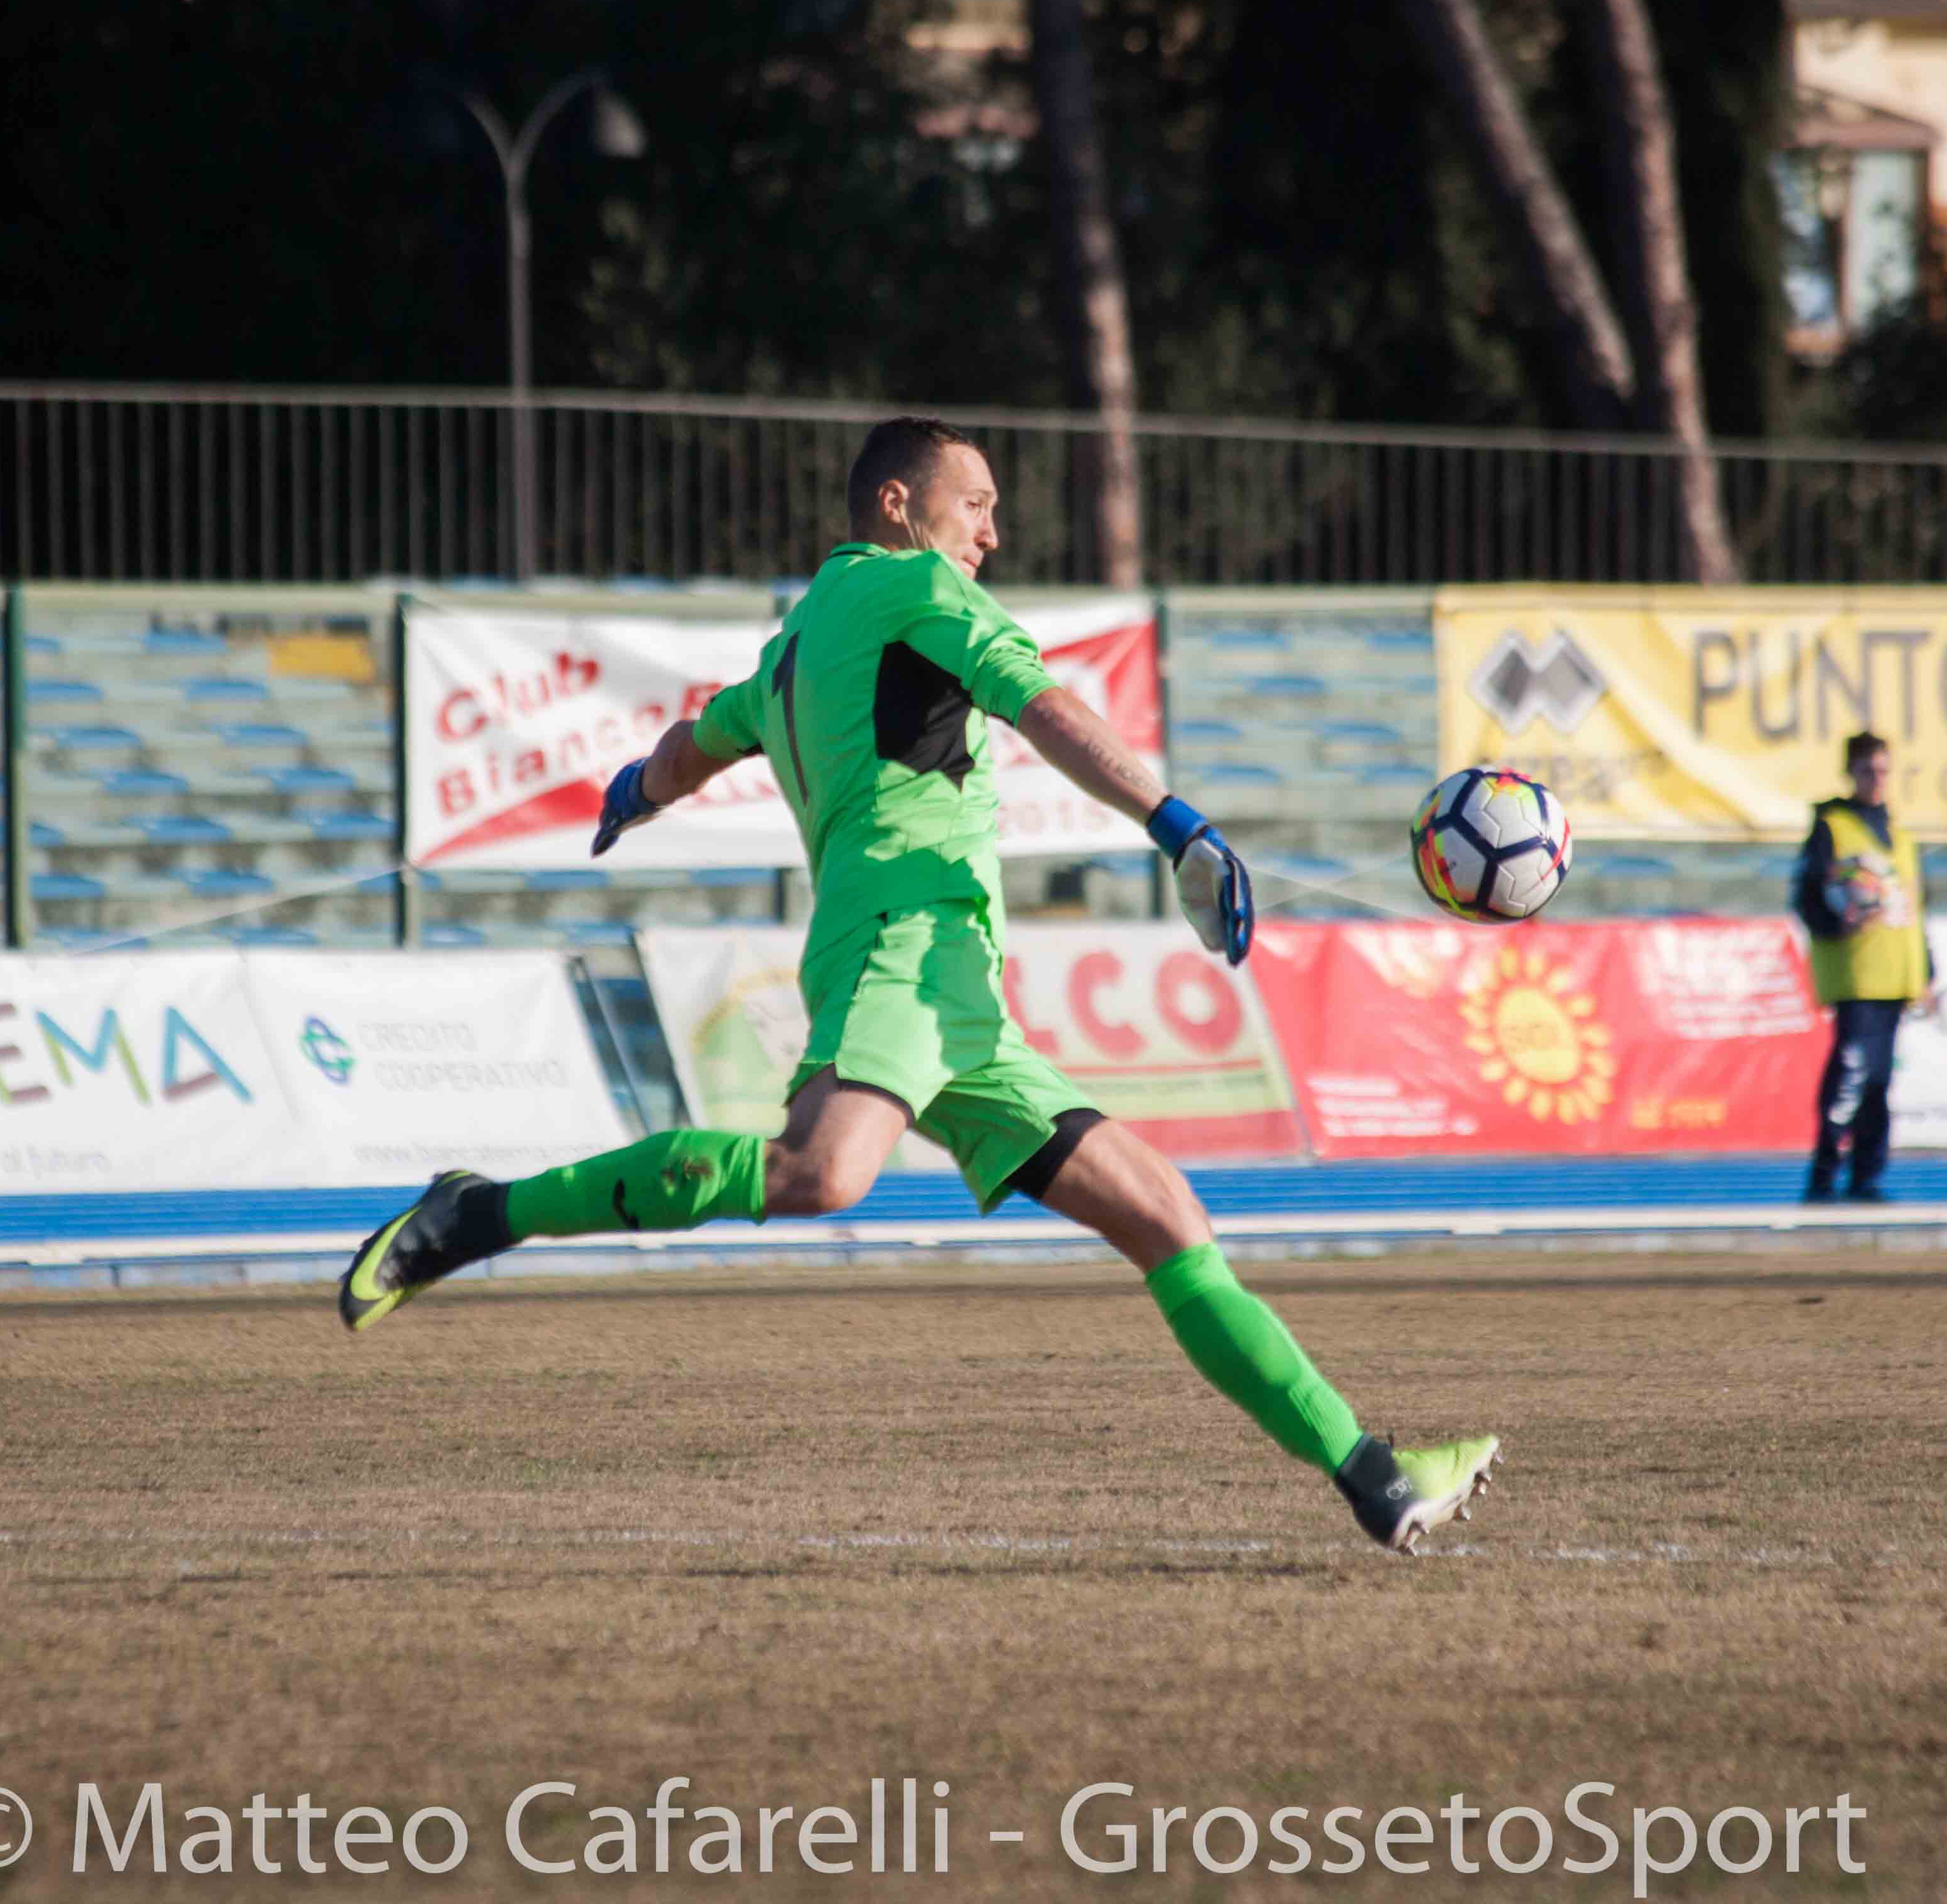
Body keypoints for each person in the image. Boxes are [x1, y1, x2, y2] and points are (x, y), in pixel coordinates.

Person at [339, 416, 1499, 1552]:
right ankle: (479, 1212)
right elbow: (1041, 704)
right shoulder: (916, 588)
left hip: (958, 996)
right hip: (901, 944)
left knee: (1167, 1219)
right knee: (819, 1172)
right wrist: (1171, 820)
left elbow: (699, 740)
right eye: (976, 503)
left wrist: (638, 789)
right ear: (897, 505)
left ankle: (1373, 1475)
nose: (992, 532)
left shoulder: (793, 648)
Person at [1793, 731, 1932, 1201]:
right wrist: (1838, 923)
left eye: (1884, 770)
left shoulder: (1902, 837)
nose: (1877, 779)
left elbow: (1914, 909)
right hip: (1856, 974)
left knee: (1878, 1083)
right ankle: (1824, 1174)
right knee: (1849, 1077)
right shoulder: (1832, 828)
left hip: (1895, 974)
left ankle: (1866, 1177)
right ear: (1850, 772)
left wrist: (1926, 971)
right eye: (1868, 770)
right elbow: (1806, 897)